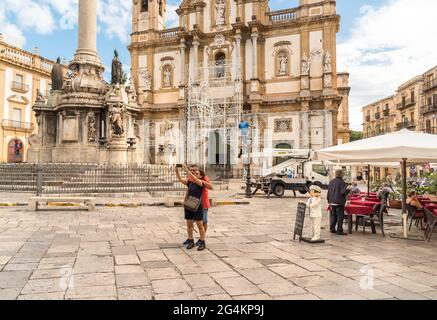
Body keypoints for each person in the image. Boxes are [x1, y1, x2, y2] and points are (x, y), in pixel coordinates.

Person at [175, 165, 207, 251]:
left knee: (200, 225)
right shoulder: (191, 182)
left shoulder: (201, 183)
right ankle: (191, 241)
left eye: (197, 173)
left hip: (197, 206)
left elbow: (195, 179)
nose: (195, 174)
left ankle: (203, 242)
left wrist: (187, 170)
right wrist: (176, 171)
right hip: (189, 204)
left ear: (200, 176)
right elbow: (180, 180)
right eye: (194, 173)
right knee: (189, 224)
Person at [327, 170, 351, 235]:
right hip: (339, 202)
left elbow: (328, 192)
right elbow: (343, 192)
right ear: (342, 175)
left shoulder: (331, 181)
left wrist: (329, 201)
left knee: (333, 216)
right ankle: (339, 230)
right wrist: (348, 189)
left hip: (332, 201)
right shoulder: (342, 182)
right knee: (340, 216)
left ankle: (332, 229)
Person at [198, 169, 213, 246]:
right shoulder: (192, 178)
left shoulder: (204, 178)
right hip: (196, 204)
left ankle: (202, 238)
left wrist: (202, 181)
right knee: (198, 222)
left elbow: (210, 186)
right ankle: (200, 237)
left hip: (204, 203)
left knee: (204, 221)